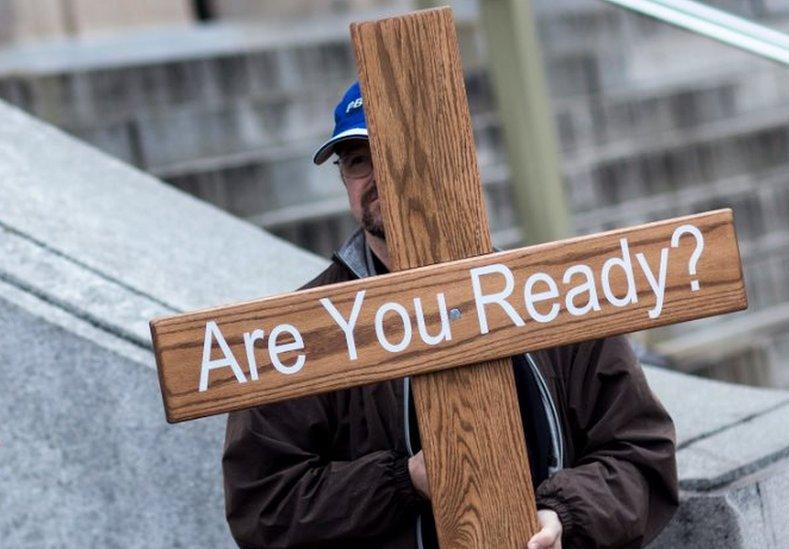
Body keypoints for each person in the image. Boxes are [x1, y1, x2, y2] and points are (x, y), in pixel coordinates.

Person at [222, 82, 679, 549]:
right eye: (359, 159)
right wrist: (403, 481)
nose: (383, 173)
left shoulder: (553, 296)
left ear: (449, 155)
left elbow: (641, 454)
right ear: (345, 181)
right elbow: (263, 509)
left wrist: (565, 516)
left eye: (401, 148)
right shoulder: (300, 334)